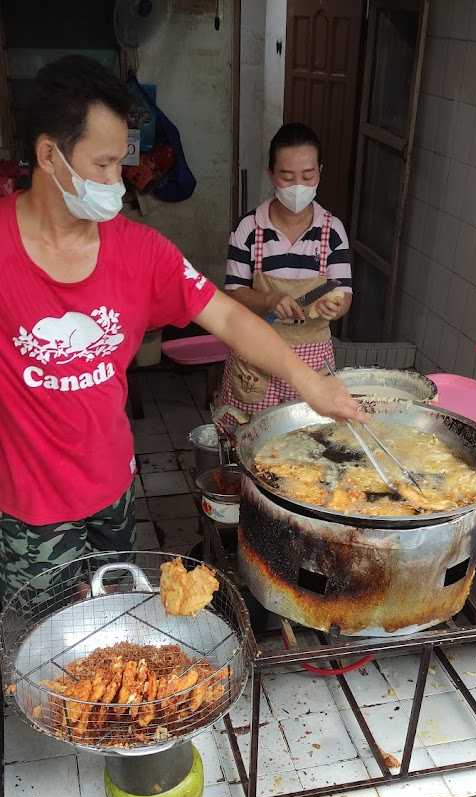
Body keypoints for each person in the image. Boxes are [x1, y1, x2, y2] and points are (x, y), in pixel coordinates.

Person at [0, 57, 360, 603]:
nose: (116, 182)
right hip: (25, 505)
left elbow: (229, 315)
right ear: (49, 155)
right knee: (41, 651)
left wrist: (310, 383)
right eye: (102, 165)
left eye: (121, 163)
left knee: (110, 629)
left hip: (112, 490)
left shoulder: (141, 252)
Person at [217, 122, 353, 433]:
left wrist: (337, 306)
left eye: (307, 176)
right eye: (287, 176)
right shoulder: (249, 228)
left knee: (307, 445)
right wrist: (269, 299)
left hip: (313, 361)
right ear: (271, 174)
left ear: (320, 172)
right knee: (248, 441)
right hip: (256, 360)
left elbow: (343, 292)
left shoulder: (333, 231)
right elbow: (234, 292)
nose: (298, 185)